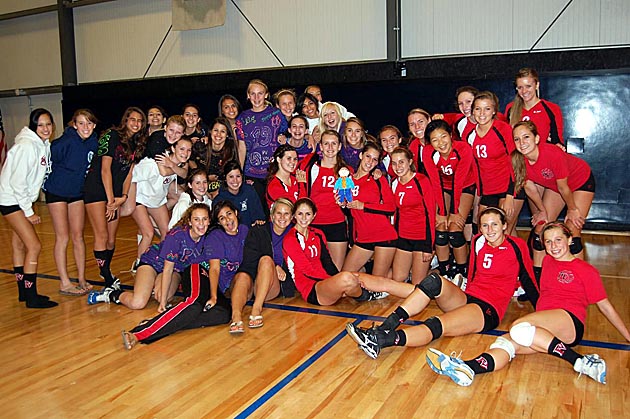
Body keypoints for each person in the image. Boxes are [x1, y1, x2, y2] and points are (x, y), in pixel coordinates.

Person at [426, 221, 630, 386]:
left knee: (518, 328)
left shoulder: (586, 270)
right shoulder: (547, 262)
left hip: (569, 321)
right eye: (548, 242)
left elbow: (605, 306)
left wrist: (628, 337)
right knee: (505, 343)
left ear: (570, 240)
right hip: (545, 328)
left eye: (559, 240)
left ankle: (580, 361)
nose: (554, 246)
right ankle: (468, 368)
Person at [345, 207, 538, 359]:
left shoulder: (516, 245)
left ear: (505, 225)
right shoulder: (479, 240)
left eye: (495, 225)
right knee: (433, 281)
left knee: (437, 324)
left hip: (488, 308)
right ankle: (385, 326)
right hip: (468, 297)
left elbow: (529, 279)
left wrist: (541, 312)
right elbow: (472, 273)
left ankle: (381, 341)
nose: (490, 230)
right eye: (485, 225)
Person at [89, 203, 212, 310]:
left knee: (163, 296)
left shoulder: (209, 238)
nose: (201, 224)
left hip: (175, 269)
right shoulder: (177, 236)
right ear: (190, 221)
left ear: (209, 221)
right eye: (196, 219)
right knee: (138, 303)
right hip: (153, 263)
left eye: (205, 219)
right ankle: (111, 294)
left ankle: (152, 287)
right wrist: (163, 304)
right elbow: (167, 269)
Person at [83, 106, 147, 290]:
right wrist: (111, 201)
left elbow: (129, 173)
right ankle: (107, 277)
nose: (136, 123)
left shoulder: (136, 143)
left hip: (115, 194)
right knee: (101, 234)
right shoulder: (111, 136)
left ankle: (106, 268)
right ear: (125, 120)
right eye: (132, 119)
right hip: (97, 189)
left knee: (111, 239)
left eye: (139, 120)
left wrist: (123, 196)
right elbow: (105, 169)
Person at [512, 121, 594, 261]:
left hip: (580, 181)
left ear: (536, 139)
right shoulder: (518, 160)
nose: (522, 143)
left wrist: (572, 209)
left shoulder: (551, 153)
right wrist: (542, 210)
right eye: (517, 139)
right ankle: (538, 276)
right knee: (540, 229)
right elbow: (530, 189)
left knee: (572, 230)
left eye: (526, 137)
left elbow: (564, 187)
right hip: (557, 187)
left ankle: (578, 275)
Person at [0, 108, 57, 308]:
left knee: (20, 245)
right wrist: (29, 212)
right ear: (33, 126)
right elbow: (17, 183)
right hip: (11, 200)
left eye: (48, 124)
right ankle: (31, 296)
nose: (45, 128)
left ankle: (23, 292)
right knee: (34, 246)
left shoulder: (41, 145)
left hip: (16, 199)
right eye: (41, 125)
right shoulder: (27, 146)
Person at [283, 198, 387, 306]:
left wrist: (335, 279)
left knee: (360, 277)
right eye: (300, 214)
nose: (304, 218)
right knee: (347, 278)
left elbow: (327, 261)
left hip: (327, 281)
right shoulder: (290, 239)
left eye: (308, 214)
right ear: (294, 215)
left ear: (314, 215)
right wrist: (335, 280)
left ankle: (397, 292)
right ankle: (366, 295)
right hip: (312, 290)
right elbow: (307, 271)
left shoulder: (317, 233)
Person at [43, 109, 99, 295]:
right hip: (57, 192)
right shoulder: (63, 143)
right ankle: (64, 282)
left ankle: (81, 278)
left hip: (76, 193)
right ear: (74, 125)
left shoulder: (93, 143)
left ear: (94, 125)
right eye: (81, 123)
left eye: (89, 123)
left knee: (78, 236)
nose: (86, 127)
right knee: (63, 236)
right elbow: (49, 162)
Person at [230, 198, 295, 331]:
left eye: (286, 214)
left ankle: (256, 309)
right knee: (243, 275)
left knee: (266, 260)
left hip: (271, 286)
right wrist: (275, 265)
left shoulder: (294, 235)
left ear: (292, 216)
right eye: (278, 213)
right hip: (251, 281)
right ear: (272, 215)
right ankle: (236, 317)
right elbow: (249, 259)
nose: (282, 217)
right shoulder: (258, 230)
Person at [424, 120, 476, 284]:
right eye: (435, 140)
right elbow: (435, 182)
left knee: (454, 229)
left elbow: (459, 181)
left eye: (443, 136)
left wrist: (453, 213)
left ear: (451, 135)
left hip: (465, 186)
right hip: (444, 187)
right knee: (440, 229)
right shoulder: (428, 153)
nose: (441, 143)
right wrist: (441, 213)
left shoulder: (463, 149)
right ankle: (445, 270)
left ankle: (463, 272)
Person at [465, 91, 521, 235]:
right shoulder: (469, 135)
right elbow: (475, 166)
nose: (482, 113)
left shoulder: (503, 129)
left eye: (487, 108)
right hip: (489, 190)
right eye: (478, 108)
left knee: (504, 232)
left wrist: (510, 195)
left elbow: (515, 161)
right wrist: (480, 191)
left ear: (494, 111)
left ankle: (519, 257)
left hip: (509, 187)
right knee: (483, 231)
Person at [132, 137, 192, 265]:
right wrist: (126, 198)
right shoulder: (154, 163)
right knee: (148, 233)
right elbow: (131, 175)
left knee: (167, 233)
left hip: (156, 201)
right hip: (139, 199)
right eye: (182, 149)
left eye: (189, 150)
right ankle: (139, 264)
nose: (185, 153)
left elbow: (176, 178)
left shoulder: (178, 166)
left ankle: (161, 262)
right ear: (173, 148)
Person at [341, 142, 397, 277]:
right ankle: (369, 271)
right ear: (361, 155)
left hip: (384, 235)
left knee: (376, 283)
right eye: (368, 156)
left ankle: (402, 276)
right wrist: (342, 205)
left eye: (375, 159)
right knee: (345, 277)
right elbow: (350, 211)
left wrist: (364, 206)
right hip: (363, 238)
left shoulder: (378, 179)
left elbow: (391, 208)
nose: (370, 162)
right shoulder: (347, 180)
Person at [298, 130, 351, 270]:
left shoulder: (346, 172)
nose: (330, 147)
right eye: (326, 144)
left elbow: (351, 200)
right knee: (315, 268)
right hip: (314, 224)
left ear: (339, 146)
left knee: (335, 270)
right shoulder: (310, 169)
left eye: (334, 143)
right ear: (320, 146)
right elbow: (303, 198)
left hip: (336, 224)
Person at [235, 79, 288, 207]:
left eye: (260, 93)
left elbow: (288, 134)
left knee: (277, 208)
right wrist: (239, 173)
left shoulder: (276, 114)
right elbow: (241, 148)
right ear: (248, 96)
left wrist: (284, 137)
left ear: (266, 95)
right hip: (251, 173)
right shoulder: (242, 118)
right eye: (252, 93)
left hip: (275, 171)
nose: (256, 97)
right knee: (257, 210)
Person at [390, 147, 436, 283]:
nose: (397, 167)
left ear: (410, 162)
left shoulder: (421, 181)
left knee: (418, 284)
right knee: (398, 278)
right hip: (404, 237)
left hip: (421, 238)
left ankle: (439, 274)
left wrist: (429, 246)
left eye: (401, 162)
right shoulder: (394, 183)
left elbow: (430, 214)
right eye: (394, 163)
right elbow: (395, 213)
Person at [204, 200, 249, 333]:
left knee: (243, 277)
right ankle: (235, 317)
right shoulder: (215, 237)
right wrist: (213, 296)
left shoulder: (245, 231)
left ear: (236, 213)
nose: (227, 220)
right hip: (221, 286)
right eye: (222, 218)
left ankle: (237, 316)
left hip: (239, 282)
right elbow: (215, 268)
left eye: (229, 214)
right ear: (218, 222)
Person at [506, 67, 564, 147]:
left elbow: (557, 141)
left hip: (543, 157)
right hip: (519, 157)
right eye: (520, 87)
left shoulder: (551, 108)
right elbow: (507, 139)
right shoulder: (511, 109)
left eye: (528, 86)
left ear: (537, 85)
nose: (524, 91)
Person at [215, 161, 266, 226]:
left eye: (238, 176)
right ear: (225, 178)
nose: (235, 180)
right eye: (231, 177)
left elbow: (259, 216)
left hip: (251, 232)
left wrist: (258, 222)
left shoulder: (249, 191)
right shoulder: (219, 200)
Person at [265, 144, 306, 208]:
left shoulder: (296, 178)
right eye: (289, 158)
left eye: (295, 159)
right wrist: (302, 184)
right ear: (279, 159)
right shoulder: (274, 185)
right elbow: (296, 208)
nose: (293, 162)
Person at [406, 108, 431, 175]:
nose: (417, 127)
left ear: (429, 120)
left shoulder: (441, 141)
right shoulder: (413, 146)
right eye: (412, 124)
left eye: (421, 121)